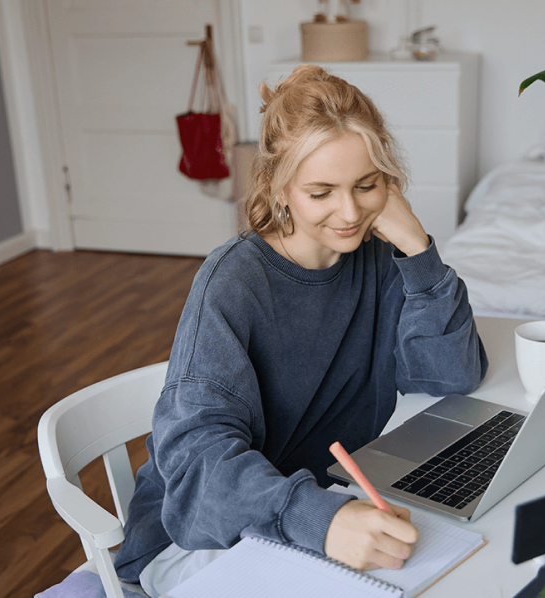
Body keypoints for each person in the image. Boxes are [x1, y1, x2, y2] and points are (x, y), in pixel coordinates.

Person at [115, 64, 488, 597]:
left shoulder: (379, 259)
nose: (350, 211)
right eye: (321, 192)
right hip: (203, 536)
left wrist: (419, 251)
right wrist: (317, 517)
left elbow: (451, 376)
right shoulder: (233, 281)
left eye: (368, 185)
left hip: (319, 505)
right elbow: (196, 456)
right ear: (279, 188)